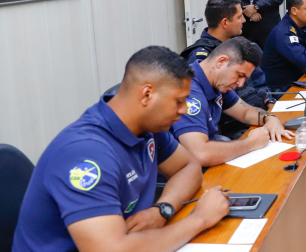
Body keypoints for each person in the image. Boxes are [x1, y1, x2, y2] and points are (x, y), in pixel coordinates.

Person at [12, 46, 229, 252]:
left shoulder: (148, 127)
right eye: (179, 101)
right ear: (147, 95)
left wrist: (162, 210)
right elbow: (112, 250)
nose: (184, 110)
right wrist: (200, 219)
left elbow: (188, 167)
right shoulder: (85, 152)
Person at [171, 37, 292, 168]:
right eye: (239, 75)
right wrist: (250, 143)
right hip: (184, 172)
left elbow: (245, 111)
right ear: (221, 62)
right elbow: (200, 154)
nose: (240, 83)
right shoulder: (189, 90)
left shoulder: (217, 82)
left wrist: (270, 118)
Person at [180, 0, 274, 138]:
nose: (244, 20)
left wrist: (269, 108)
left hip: (250, 116)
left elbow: (257, 86)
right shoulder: (202, 59)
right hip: (229, 129)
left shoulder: (239, 49)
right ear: (225, 23)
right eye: (239, 17)